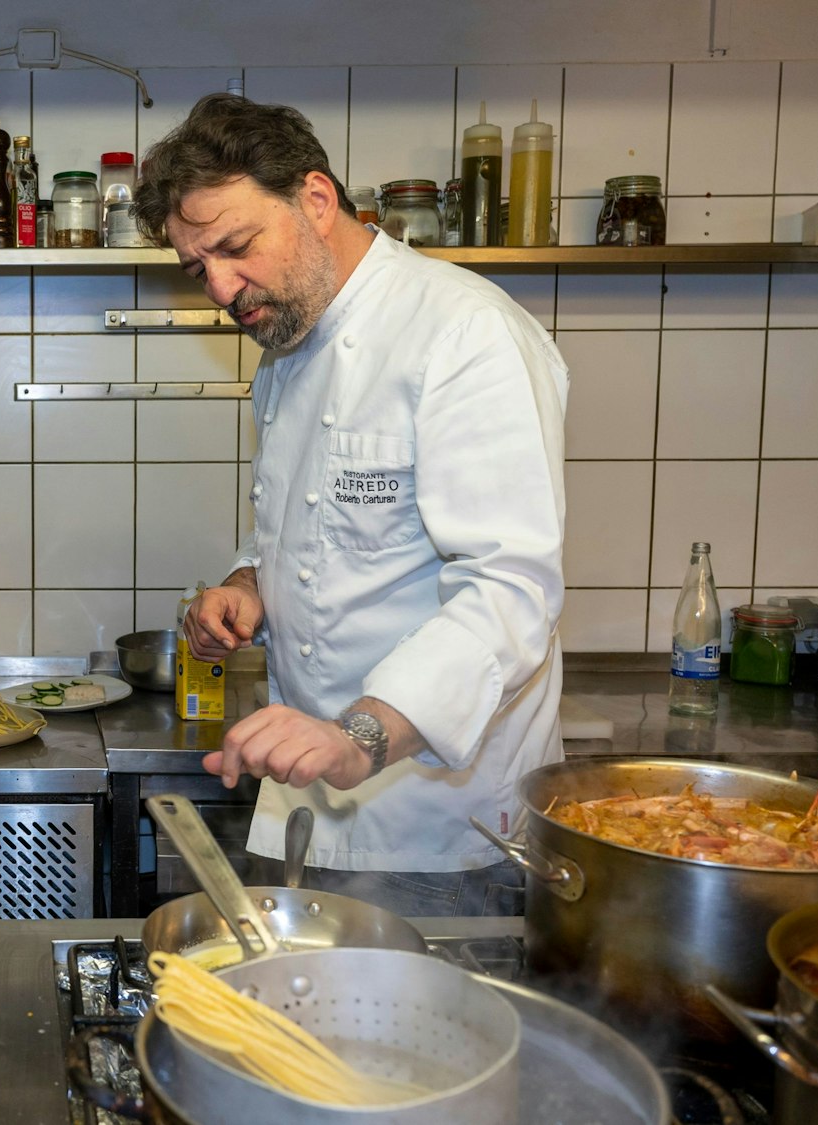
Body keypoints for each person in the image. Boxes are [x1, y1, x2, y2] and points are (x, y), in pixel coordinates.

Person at [135, 94, 567, 918]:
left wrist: (358, 734)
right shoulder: (286, 352)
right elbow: (312, 530)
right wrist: (250, 584)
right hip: (308, 800)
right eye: (198, 270)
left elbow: (511, 592)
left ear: (315, 200)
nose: (221, 288)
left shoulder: (465, 334)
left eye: (235, 247)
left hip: (441, 833)